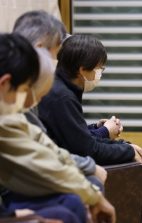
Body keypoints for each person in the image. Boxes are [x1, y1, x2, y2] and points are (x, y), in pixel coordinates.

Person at [38, 34, 142, 223]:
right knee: (132, 172)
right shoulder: (61, 96)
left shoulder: (63, 88)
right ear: (82, 70)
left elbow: (78, 137)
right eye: (98, 68)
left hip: (65, 160)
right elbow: (88, 149)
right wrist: (127, 150)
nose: (100, 72)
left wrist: (121, 143)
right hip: (55, 171)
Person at [0, 33, 116, 223]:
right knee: (69, 209)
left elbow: (46, 147)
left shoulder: (10, 114)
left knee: (72, 204)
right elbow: (44, 161)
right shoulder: (59, 97)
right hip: (12, 195)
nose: (30, 100)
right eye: (24, 89)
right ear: (5, 84)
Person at [12, 10, 107, 190]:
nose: (56, 63)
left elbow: (43, 142)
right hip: (19, 181)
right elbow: (42, 152)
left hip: (31, 169)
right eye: (55, 56)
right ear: (39, 49)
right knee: (88, 186)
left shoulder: (35, 88)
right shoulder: (53, 94)